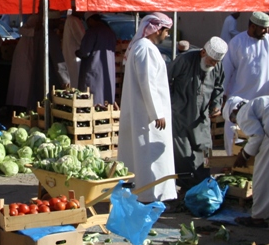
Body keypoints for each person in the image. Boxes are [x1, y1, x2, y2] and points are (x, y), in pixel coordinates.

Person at [120, 13, 176, 203]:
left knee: (143, 154)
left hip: (143, 112)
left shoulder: (143, 47)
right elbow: (148, 83)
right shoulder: (145, 49)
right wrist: (157, 113)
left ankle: (148, 194)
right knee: (147, 155)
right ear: (157, 29)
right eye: (166, 31)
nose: (167, 35)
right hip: (147, 116)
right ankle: (149, 195)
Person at [222, 11, 269, 152]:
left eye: (267, 28)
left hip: (265, 99)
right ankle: (232, 164)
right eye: (263, 28)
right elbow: (226, 71)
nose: (266, 31)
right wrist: (222, 94)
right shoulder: (237, 42)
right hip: (239, 98)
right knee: (234, 133)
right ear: (252, 26)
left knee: (263, 136)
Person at [169, 37, 227, 185]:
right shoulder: (185, 60)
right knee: (183, 152)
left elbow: (219, 87)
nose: (213, 64)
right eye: (211, 60)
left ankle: (203, 183)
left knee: (205, 148)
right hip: (180, 114)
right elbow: (165, 79)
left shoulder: (217, 67)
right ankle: (185, 186)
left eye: (216, 62)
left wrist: (216, 104)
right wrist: (171, 101)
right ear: (203, 52)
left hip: (202, 116)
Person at [77, 13, 117, 105]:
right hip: (108, 72)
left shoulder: (92, 32)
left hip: (94, 72)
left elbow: (84, 52)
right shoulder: (110, 32)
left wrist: (77, 52)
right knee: (106, 99)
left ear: (90, 20)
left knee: (92, 100)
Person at [7, 14, 41, 111]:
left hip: (29, 54)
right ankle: (21, 106)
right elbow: (22, 30)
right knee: (24, 80)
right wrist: (35, 31)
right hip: (25, 55)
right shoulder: (35, 18)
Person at [62, 10, 86, 89]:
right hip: (75, 56)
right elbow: (81, 39)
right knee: (75, 80)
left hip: (71, 55)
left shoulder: (71, 20)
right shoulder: (73, 20)